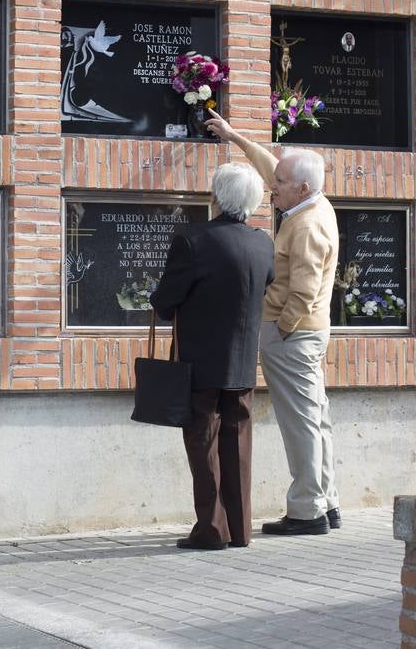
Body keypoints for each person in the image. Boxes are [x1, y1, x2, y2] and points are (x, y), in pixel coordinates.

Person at [205, 109, 341, 536]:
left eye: (279, 184)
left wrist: (281, 329)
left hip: (294, 334)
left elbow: (303, 289)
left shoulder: (306, 225)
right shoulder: (311, 199)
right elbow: (271, 164)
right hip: (305, 332)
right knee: (316, 417)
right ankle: (327, 501)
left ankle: (307, 511)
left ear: (300, 187)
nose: (270, 187)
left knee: (299, 421)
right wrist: (235, 136)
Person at [150, 163, 274, 550]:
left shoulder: (193, 240)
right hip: (241, 363)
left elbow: (166, 302)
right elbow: (265, 284)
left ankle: (211, 529)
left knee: (204, 444)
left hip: (200, 363)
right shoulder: (263, 243)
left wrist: (161, 301)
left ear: (216, 196)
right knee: (238, 446)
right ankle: (240, 529)